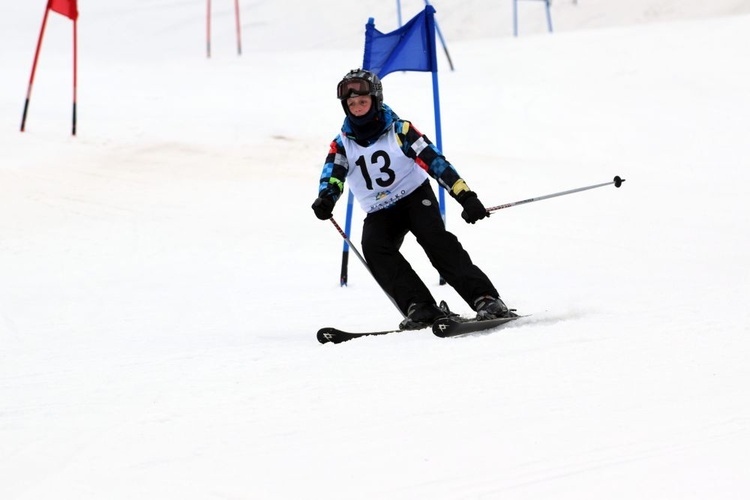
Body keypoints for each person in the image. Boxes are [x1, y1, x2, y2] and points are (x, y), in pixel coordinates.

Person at [312, 69, 515, 330]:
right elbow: (333, 175)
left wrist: (466, 197)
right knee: (374, 247)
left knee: (435, 239)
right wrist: (326, 199)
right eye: (351, 104)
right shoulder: (342, 144)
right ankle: (420, 306)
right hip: (379, 210)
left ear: (375, 100)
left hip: (415, 197)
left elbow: (435, 162)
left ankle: (485, 298)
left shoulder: (400, 130)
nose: (357, 108)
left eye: (363, 102)